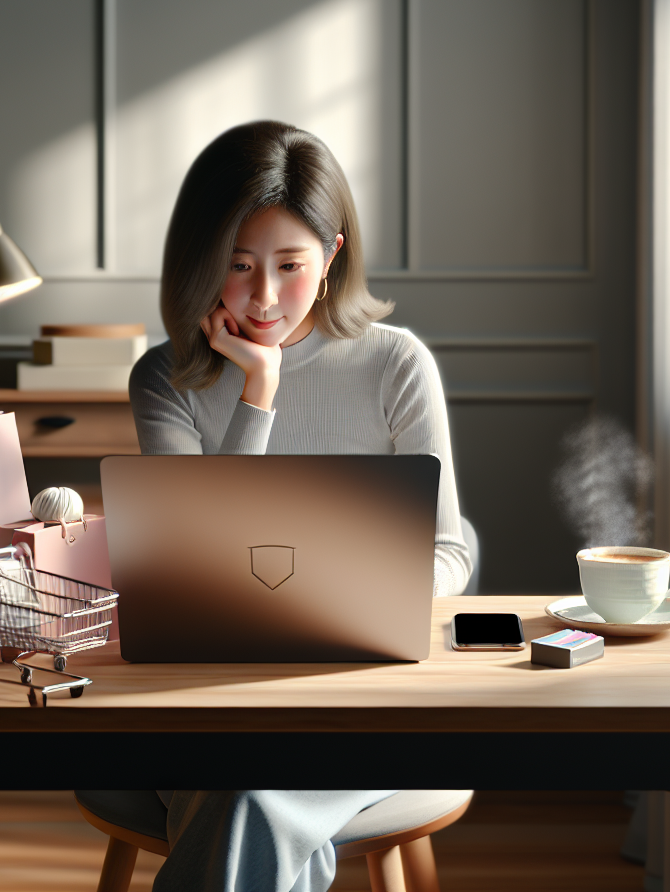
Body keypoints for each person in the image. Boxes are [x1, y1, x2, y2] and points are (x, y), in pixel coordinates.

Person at [128, 120, 471, 892]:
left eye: (290, 265)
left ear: (333, 258)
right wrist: (259, 392)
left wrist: (360, 604)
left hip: (362, 697)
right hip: (205, 699)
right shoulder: (167, 380)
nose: (264, 297)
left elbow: (448, 554)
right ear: (201, 262)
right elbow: (193, 565)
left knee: (247, 798)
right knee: (250, 794)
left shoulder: (395, 365)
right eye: (238, 266)